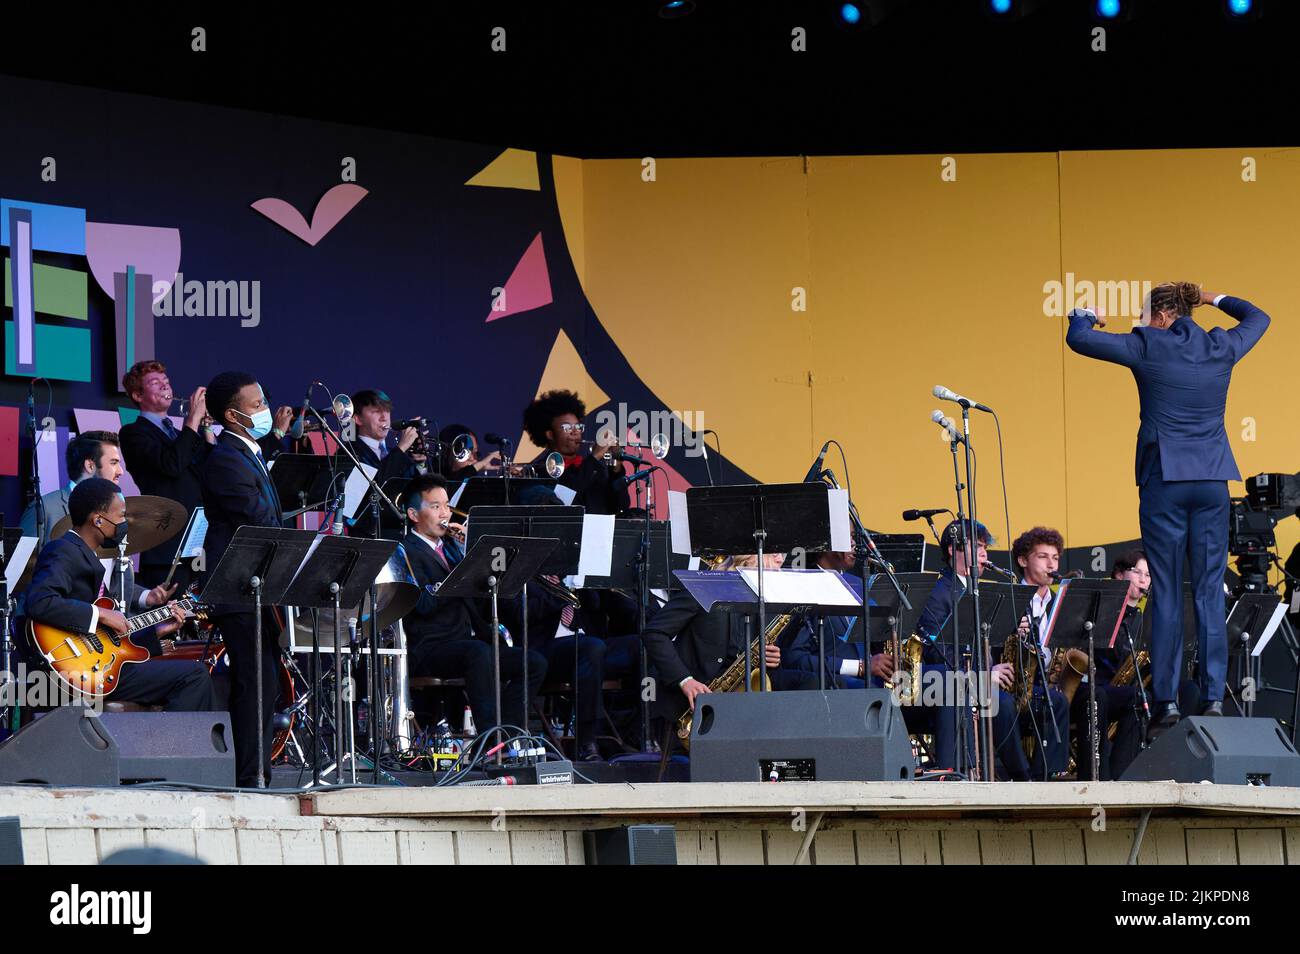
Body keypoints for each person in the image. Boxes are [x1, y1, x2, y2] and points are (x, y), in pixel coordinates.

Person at [1066, 283, 1270, 738]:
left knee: (1167, 592)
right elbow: (1259, 317)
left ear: (1159, 316)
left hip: (1165, 480)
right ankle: (1215, 696)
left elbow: (1079, 339)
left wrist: (1085, 312)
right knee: (1208, 591)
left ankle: (1167, 702)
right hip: (1213, 479)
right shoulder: (1220, 344)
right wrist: (1214, 297)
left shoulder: (1147, 343)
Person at [23, 478, 214, 711]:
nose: (125, 522)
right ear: (98, 520)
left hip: (97, 666)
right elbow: (40, 602)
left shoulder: (84, 554)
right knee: (194, 675)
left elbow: (106, 640)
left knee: (192, 672)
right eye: (121, 515)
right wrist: (101, 613)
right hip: (74, 670)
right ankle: (170, 747)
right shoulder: (63, 550)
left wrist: (158, 630)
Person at [198, 371, 294, 786]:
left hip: (259, 586)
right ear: (232, 415)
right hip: (239, 587)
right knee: (254, 682)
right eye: (256, 406)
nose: (265, 410)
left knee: (266, 679)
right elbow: (259, 518)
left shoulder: (249, 453)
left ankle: (259, 772)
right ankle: (251, 776)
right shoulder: (224, 458)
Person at [401, 474, 547, 733]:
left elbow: (481, 599)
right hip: (430, 648)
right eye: (435, 507)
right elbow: (421, 604)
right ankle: (490, 741)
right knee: (477, 654)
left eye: (446, 505)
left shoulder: (452, 549)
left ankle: (509, 734)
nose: (445, 514)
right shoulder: (404, 550)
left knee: (533, 662)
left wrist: (474, 555)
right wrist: (463, 569)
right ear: (414, 514)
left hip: (468, 643)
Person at [119, 360, 214, 590]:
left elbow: (211, 470)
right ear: (138, 396)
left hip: (199, 543)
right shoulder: (133, 433)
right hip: (167, 546)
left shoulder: (182, 434)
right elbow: (171, 465)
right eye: (155, 382)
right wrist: (192, 418)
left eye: (166, 381)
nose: (165, 386)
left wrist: (208, 426)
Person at [19, 431, 124, 548]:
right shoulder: (44, 510)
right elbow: (24, 564)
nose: (120, 471)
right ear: (90, 466)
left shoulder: (115, 512)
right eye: (113, 463)